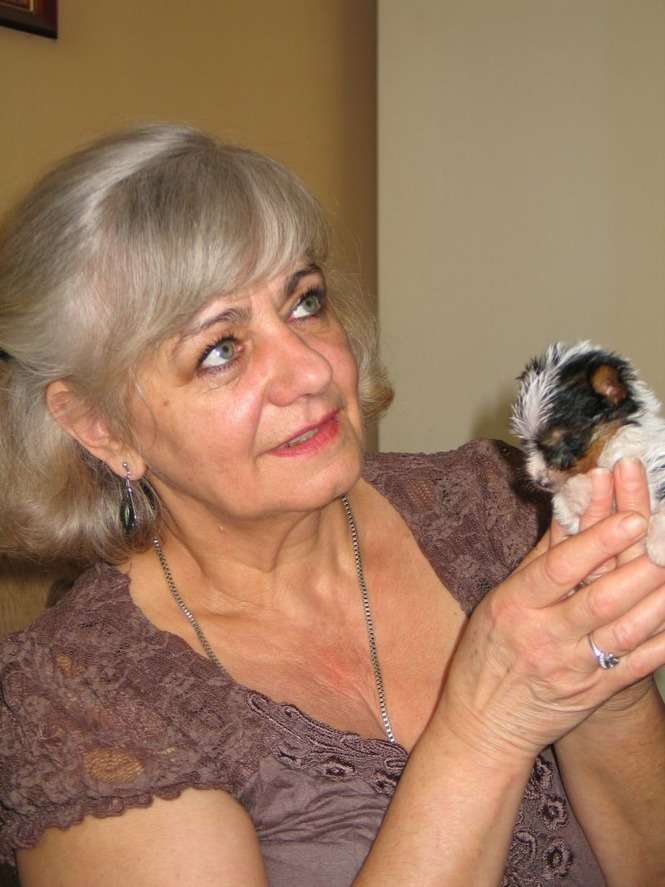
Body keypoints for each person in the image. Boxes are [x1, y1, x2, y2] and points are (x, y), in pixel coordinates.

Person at [0, 125, 664, 887]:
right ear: (100, 426)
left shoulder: (501, 505)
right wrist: (489, 719)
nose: (311, 369)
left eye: (304, 302)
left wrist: (603, 672)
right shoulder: (79, 699)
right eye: (219, 348)